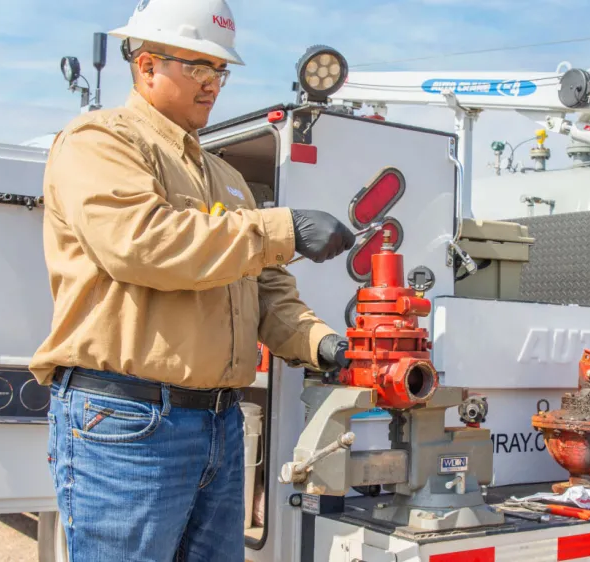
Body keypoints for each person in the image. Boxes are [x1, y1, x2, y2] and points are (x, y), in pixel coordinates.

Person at [27, 0, 355, 559]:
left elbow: (266, 290)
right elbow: (141, 244)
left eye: (220, 70)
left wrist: (323, 345)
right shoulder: (101, 141)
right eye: (199, 66)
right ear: (147, 65)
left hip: (219, 423)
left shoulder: (225, 177)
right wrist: (285, 228)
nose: (213, 83)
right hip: (128, 420)